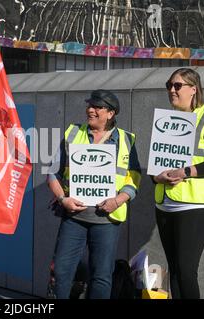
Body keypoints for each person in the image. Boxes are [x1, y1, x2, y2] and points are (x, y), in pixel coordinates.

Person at [47, 89, 141, 299]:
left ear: (111, 113)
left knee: (101, 276)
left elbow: (134, 178)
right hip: (74, 216)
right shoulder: (73, 133)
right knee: (61, 271)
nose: (90, 110)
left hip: (107, 218)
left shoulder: (126, 140)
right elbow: (53, 173)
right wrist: (63, 199)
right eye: (89, 106)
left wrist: (117, 201)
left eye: (97, 107)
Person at [153, 68, 204, 299]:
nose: (172, 90)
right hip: (166, 203)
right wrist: (157, 177)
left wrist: (184, 172)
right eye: (169, 85)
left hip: (198, 204)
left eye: (177, 86)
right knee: (175, 270)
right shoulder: (167, 121)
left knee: (187, 270)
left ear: (193, 89)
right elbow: (158, 163)